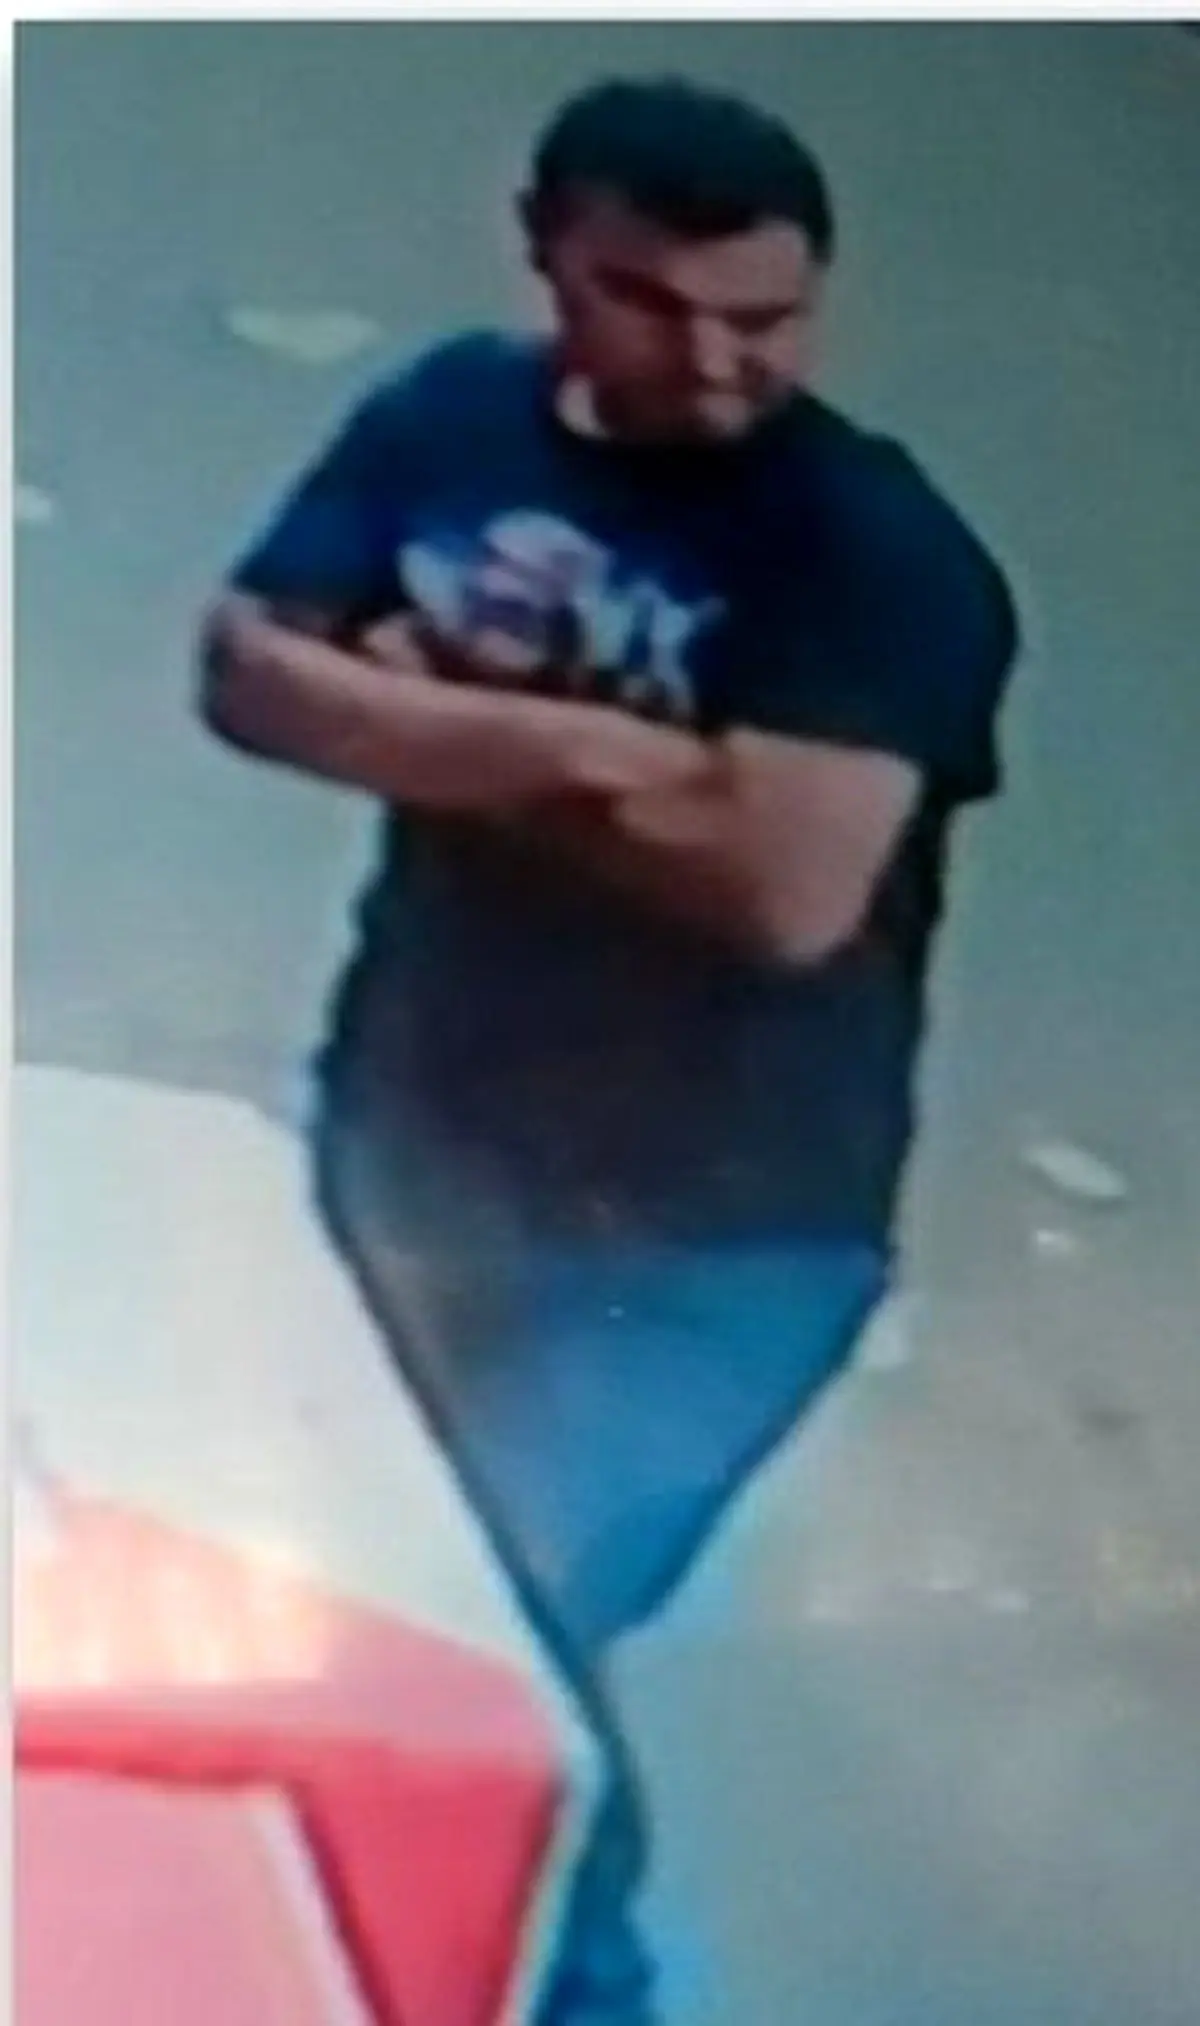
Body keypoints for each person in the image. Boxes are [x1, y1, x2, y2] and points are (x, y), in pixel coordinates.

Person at [199, 75, 1019, 2026]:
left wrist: (420, 726)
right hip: (410, 1138)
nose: (719, 367)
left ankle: (573, 1993)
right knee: (424, 1623)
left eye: (767, 320)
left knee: (492, 1633)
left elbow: (782, 891)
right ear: (549, 257)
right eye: (654, 305)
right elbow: (245, 673)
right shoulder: (444, 418)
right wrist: (586, 748)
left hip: (721, 1235)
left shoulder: (880, 554)